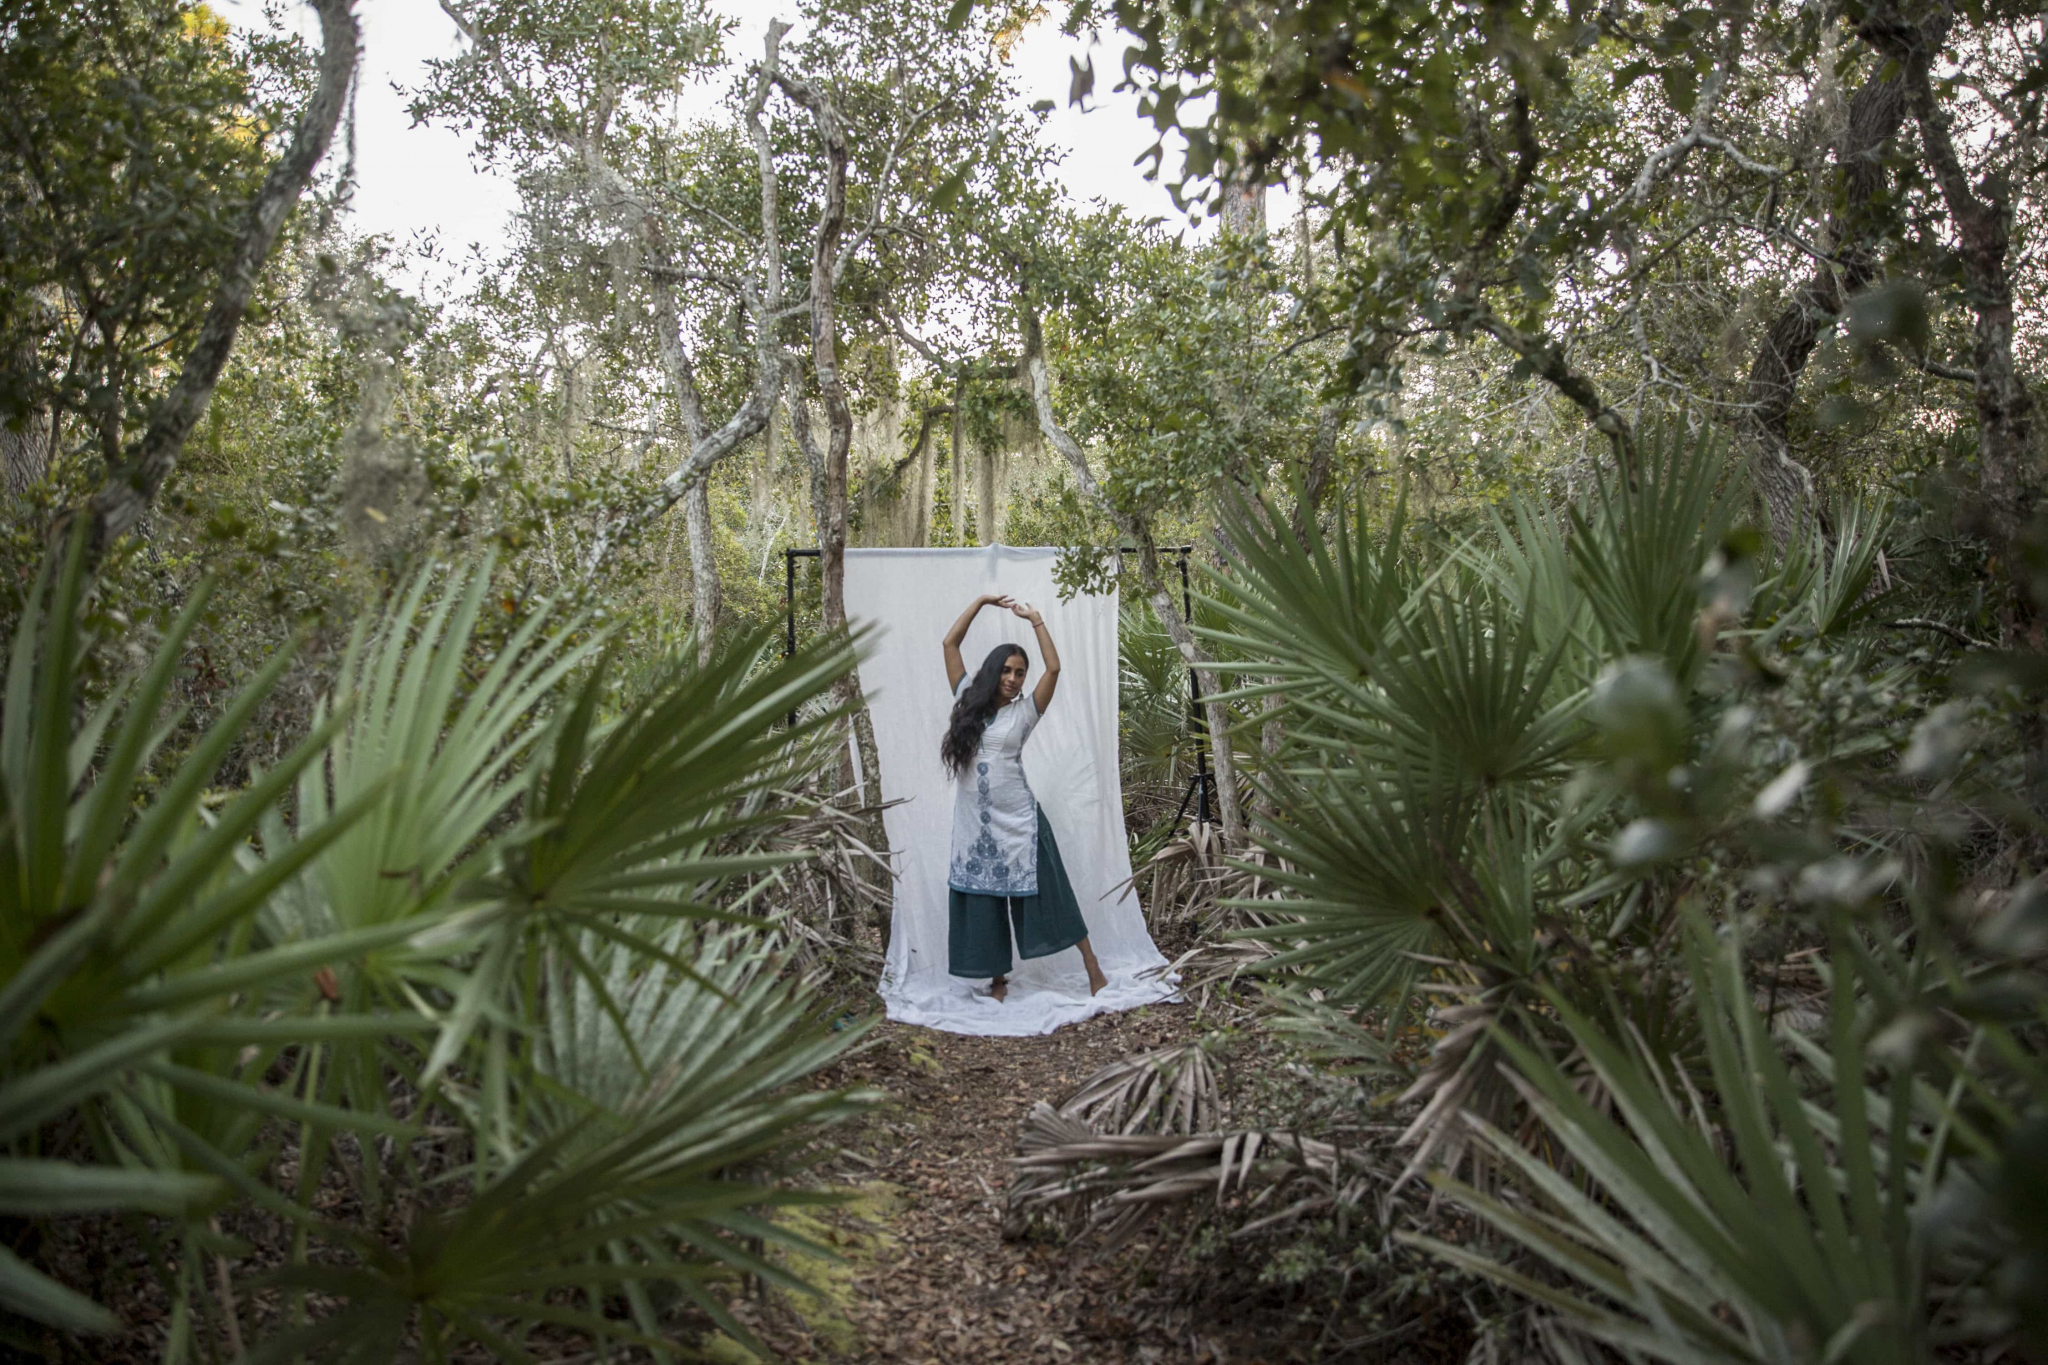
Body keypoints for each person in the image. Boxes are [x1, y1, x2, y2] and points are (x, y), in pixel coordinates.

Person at [940, 593, 1109, 1002]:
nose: (1014, 679)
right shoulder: (967, 698)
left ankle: (1092, 966)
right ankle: (998, 980)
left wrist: (1035, 620)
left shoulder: (1026, 711)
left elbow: (1054, 667)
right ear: (993, 670)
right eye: (1007, 670)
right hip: (975, 823)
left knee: (1053, 892)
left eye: (1020, 672)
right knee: (985, 898)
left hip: (1020, 820)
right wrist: (980, 602)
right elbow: (950, 643)